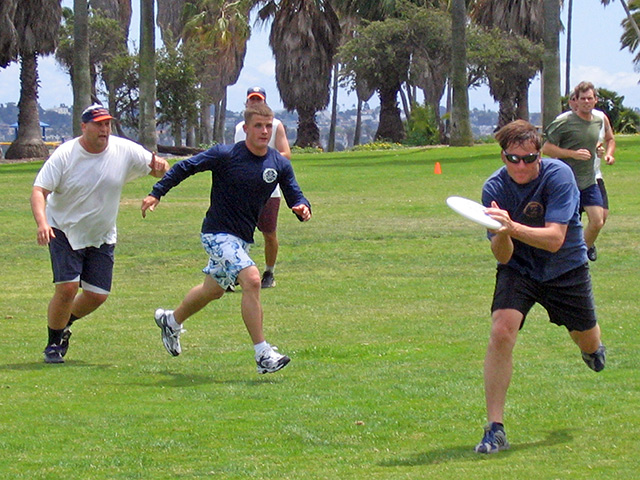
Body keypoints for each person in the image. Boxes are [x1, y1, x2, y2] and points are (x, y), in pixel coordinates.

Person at [141, 103, 311, 374]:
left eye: (269, 127)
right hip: (216, 234)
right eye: (258, 126)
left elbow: (295, 194)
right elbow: (185, 167)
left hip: (241, 239)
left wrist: (302, 208)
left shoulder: (278, 163)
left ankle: (171, 321)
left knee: (213, 290)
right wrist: (157, 192)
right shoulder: (226, 154)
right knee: (253, 279)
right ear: (245, 129)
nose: (264, 131)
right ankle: (263, 354)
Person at [475, 120, 606, 454]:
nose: (521, 165)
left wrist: (511, 225)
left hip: (565, 269)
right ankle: (495, 428)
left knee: (588, 340)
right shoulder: (493, 188)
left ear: (539, 155)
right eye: (513, 158)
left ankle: (591, 350)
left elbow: (555, 239)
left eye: (530, 158)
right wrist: (502, 233)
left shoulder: (559, 176)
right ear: (503, 157)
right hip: (519, 269)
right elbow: (503, 256)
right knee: (502, 331)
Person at [31, 104, 170, 364]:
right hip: (64, 229)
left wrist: (160, 166)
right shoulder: (65, 154)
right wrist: (42, 223)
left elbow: (155, 167)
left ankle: (64, 323)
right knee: (68, 288)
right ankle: (53, 344)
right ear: (84, 127)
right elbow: (39, 190)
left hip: (102, 234)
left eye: (107, 124)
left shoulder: (123, 149)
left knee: (97, 295)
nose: (104, 129)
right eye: (98, 124)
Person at [542, 81, 615, 261]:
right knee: (566, 224)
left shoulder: (599, 120)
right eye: (583, 99)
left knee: (598, 221)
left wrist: (600, 151)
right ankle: (564, 257)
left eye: (590, 98)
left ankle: (580, 253)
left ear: (595, 100)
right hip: (567, 180)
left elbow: (599, 141)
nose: (586, 102)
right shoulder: (565, 122)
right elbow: (547, 149)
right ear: (576, 101)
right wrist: (572, 154)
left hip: (589, 180)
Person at [234, 86, 291, 289]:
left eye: (259, 100)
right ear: (247, 103)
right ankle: (238, 273)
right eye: (252, 100)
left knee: (269, 233)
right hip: (243, 190)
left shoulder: (275, 126)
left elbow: (286, 153)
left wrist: (265, 160)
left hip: (269, 190)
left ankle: (269, 272)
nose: (255, 103)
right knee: (239, 233)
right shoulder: (240, 127)